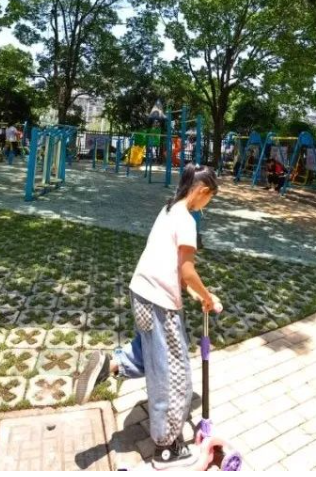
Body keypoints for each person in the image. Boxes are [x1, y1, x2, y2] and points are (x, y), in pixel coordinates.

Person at [74, 164, 220, 469]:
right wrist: (208, 296)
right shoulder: (187, 220)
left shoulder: (168, 210)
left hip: (140, 292)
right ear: (202, 192)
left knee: (150, 352)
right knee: (172, 372)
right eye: (209, 199)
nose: (207, 206)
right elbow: (187, 270)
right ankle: (166, 447)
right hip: (159, 302)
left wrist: (194, 295)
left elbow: (172, 266)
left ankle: (109, 365)